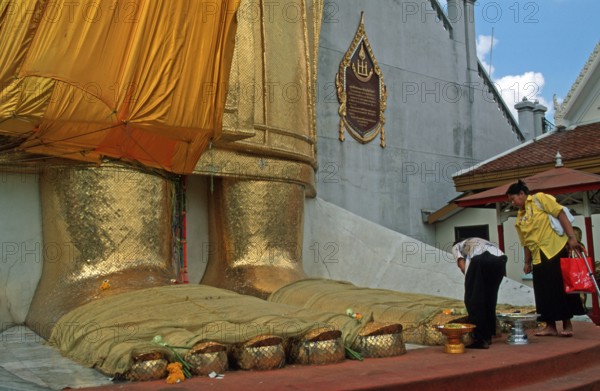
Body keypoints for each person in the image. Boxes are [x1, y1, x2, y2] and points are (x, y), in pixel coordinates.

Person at [506, 180, 586, 337]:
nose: (513, 203)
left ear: (522, 194)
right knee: (543, 291)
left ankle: (567, 324)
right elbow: (526, 242)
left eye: (513, 199)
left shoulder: (539, 199)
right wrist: (527, 262)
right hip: (538, 256)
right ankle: (550, 326)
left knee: (560, 287)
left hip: (554, 249)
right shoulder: (520, 218)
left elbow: (560, 213)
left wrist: (571, 237)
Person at [452, 237, 507, 349]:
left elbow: (461, 263)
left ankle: (480, 338)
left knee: (473, 300)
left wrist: (469, 282)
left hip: (481, 260)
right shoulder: (480, 240)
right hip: (500, 260)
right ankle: (489, 334)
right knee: (490, 297)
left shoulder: (457, 246)